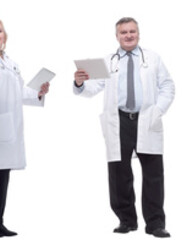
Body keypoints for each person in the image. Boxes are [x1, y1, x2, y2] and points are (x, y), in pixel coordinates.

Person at [72, 17, 174, 239]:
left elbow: (167, 86)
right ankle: (126, 220)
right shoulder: (108, 61)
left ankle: (155, 223)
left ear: (138, 33)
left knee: (153, 173)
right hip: (119, 120)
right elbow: (93, 87)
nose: (128, 35)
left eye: (132, 31)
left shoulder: (153, 58)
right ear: (116, 36)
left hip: (146, 119)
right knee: (119, 173)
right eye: (124, 32)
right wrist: (80, 83)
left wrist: (157, 111)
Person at [0, 17, 48, 238]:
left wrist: (39, 91)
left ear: (4, 36)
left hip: (9, 125)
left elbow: (20, 92)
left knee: (3, 175)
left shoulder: (10, 62)